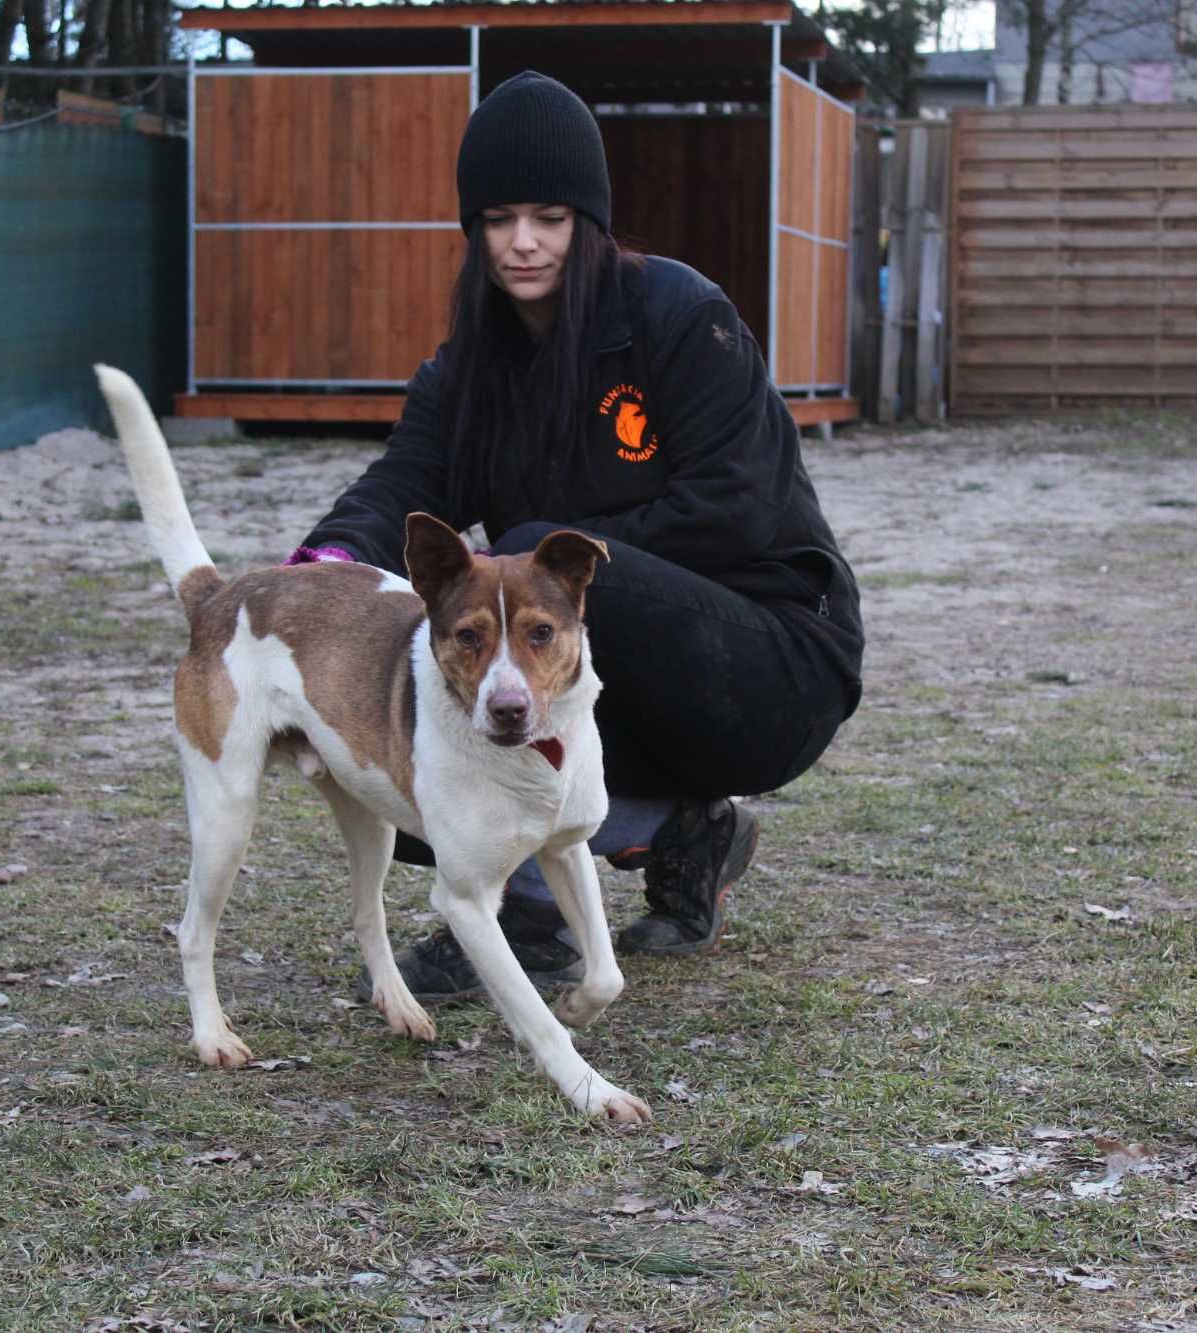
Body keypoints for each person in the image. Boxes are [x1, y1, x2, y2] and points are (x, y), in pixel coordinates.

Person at [284, 72, 864, 1002]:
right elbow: (401, 485)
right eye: (500, 217)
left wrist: (568, 556)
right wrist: (322, 568)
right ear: (472, 227)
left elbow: (742, 505)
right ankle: (677, 831)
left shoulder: (681, 317)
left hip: (771, 663)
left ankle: (531, 920)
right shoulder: (466, 370)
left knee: (523, 570)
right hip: (598, 675)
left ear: (586, 221)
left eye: (549, 217)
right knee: (420, 708)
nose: (523, 242)